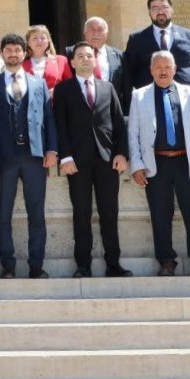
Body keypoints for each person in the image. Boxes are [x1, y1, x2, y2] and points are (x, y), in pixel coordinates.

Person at [131, 50, 190, 277]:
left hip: (186, 162)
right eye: (158, 67)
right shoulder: (139, 96)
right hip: (155, 163)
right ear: (151, 70)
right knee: (160, 214)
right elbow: (134, 134)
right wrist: (137, 165)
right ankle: (166, 261)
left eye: (167, 67)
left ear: (175, 69)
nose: (163, 71)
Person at [0, 33, 57, 279]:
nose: (13, 54)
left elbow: (49, 118)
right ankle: (8, 265)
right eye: (8, 50)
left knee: (37, 213)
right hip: (4, 160)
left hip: (35, 157)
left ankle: (37, 265)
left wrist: (51, 149)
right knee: (3, 213)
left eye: (17, 50)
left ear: (24, 53)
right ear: (1, 53)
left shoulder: (38, 84)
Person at [53, 42, 131, 278]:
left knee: (110, 213)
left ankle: (113, 264)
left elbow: (118, 123)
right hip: (77, 162)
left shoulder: (107, 88)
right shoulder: (63, 89)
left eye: (89, 55)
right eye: (80, 56)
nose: (86, 59)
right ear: (73, 62)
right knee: (81, 214)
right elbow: (60, 126)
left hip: (107, 161)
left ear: (95, 61)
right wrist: (65, 156)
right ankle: (83, 266)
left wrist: (121, 153)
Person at [122, 0, 190, 108]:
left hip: (186, 101)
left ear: (172, 10)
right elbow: (128, 75)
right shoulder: (136, 39)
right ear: (149, 13)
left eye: (164, 7)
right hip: (149, 102)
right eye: (155, 8)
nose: (160, 12)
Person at [77, 17, 127, 113]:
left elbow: (126, 89)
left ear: (106, 33)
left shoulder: (119, 56)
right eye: (92, 29)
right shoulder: (71, 52)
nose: (96, 34)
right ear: (85, 32)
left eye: (100, 30)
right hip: (82, 111)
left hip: (112, 111)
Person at [22, 24, 73, 93]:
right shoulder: (20, 64)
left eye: (43, 38)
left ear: (48, 41)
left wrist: (56, 91)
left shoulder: (61, 60)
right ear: (28, 42)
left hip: (55, 102)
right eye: (35, 38)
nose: (39, 41)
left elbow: (70, 85)